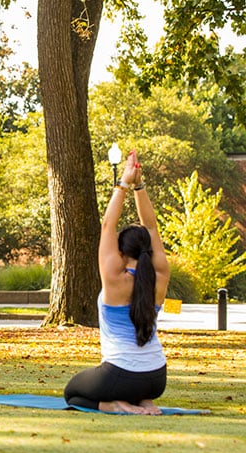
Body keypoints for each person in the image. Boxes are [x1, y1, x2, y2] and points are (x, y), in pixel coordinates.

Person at [63, 149, 170, 415]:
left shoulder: (114, 279)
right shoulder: (160, 276)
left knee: (72, 393)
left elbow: (108, 225)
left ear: (121, 252)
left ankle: (115, 405)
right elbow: (153, 227)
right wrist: (139, 186)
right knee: (135, 384)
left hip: (120, 375)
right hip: (157, 378)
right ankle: (144, 400)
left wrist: (124, 182)